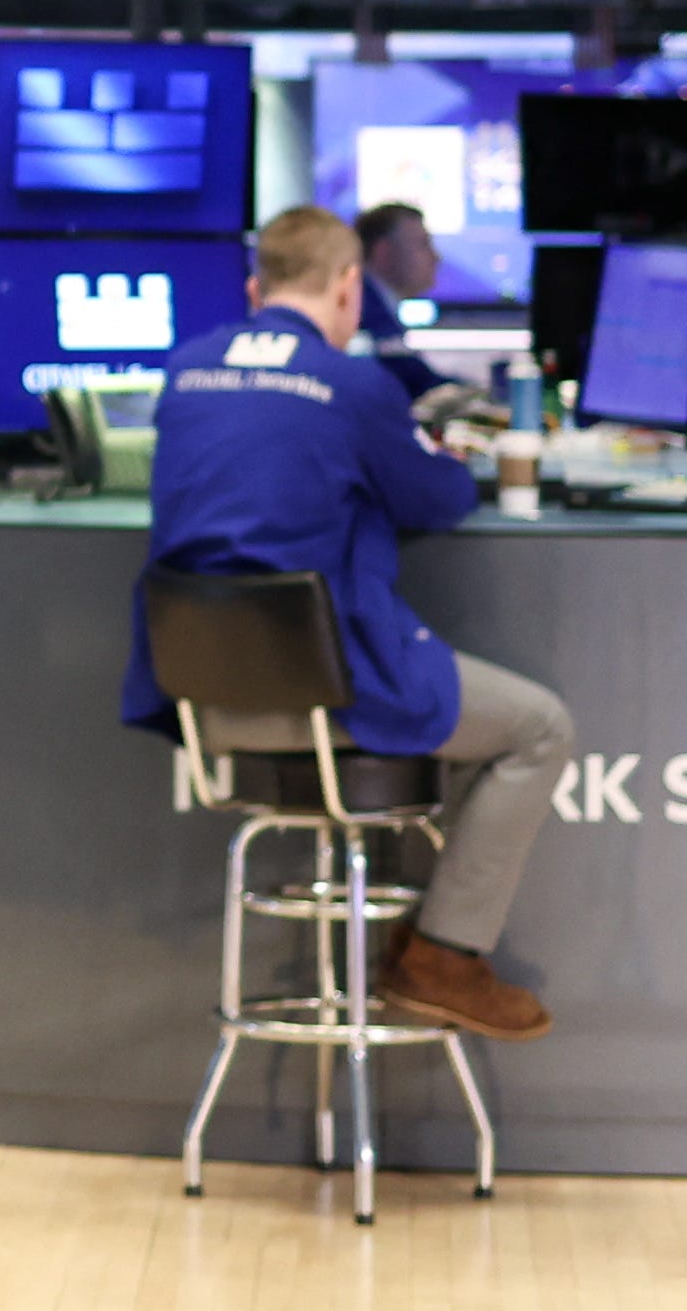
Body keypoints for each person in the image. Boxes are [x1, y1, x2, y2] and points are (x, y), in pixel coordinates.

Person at [122, 205, 572, 1043]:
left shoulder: (186, 371)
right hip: (335, 696)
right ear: (348, 287)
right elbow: (438, 498)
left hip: (206, 706)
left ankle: (438, 954)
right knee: (542, 728)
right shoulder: (353, 384)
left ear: (257, 288)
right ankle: (444, 956)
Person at [350, 202, 497, 425]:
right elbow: (412, 382)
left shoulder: (374, 302)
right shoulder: (364, 309)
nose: (436, 257)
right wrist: (484, 391)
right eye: (423, 245)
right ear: (384, 252)